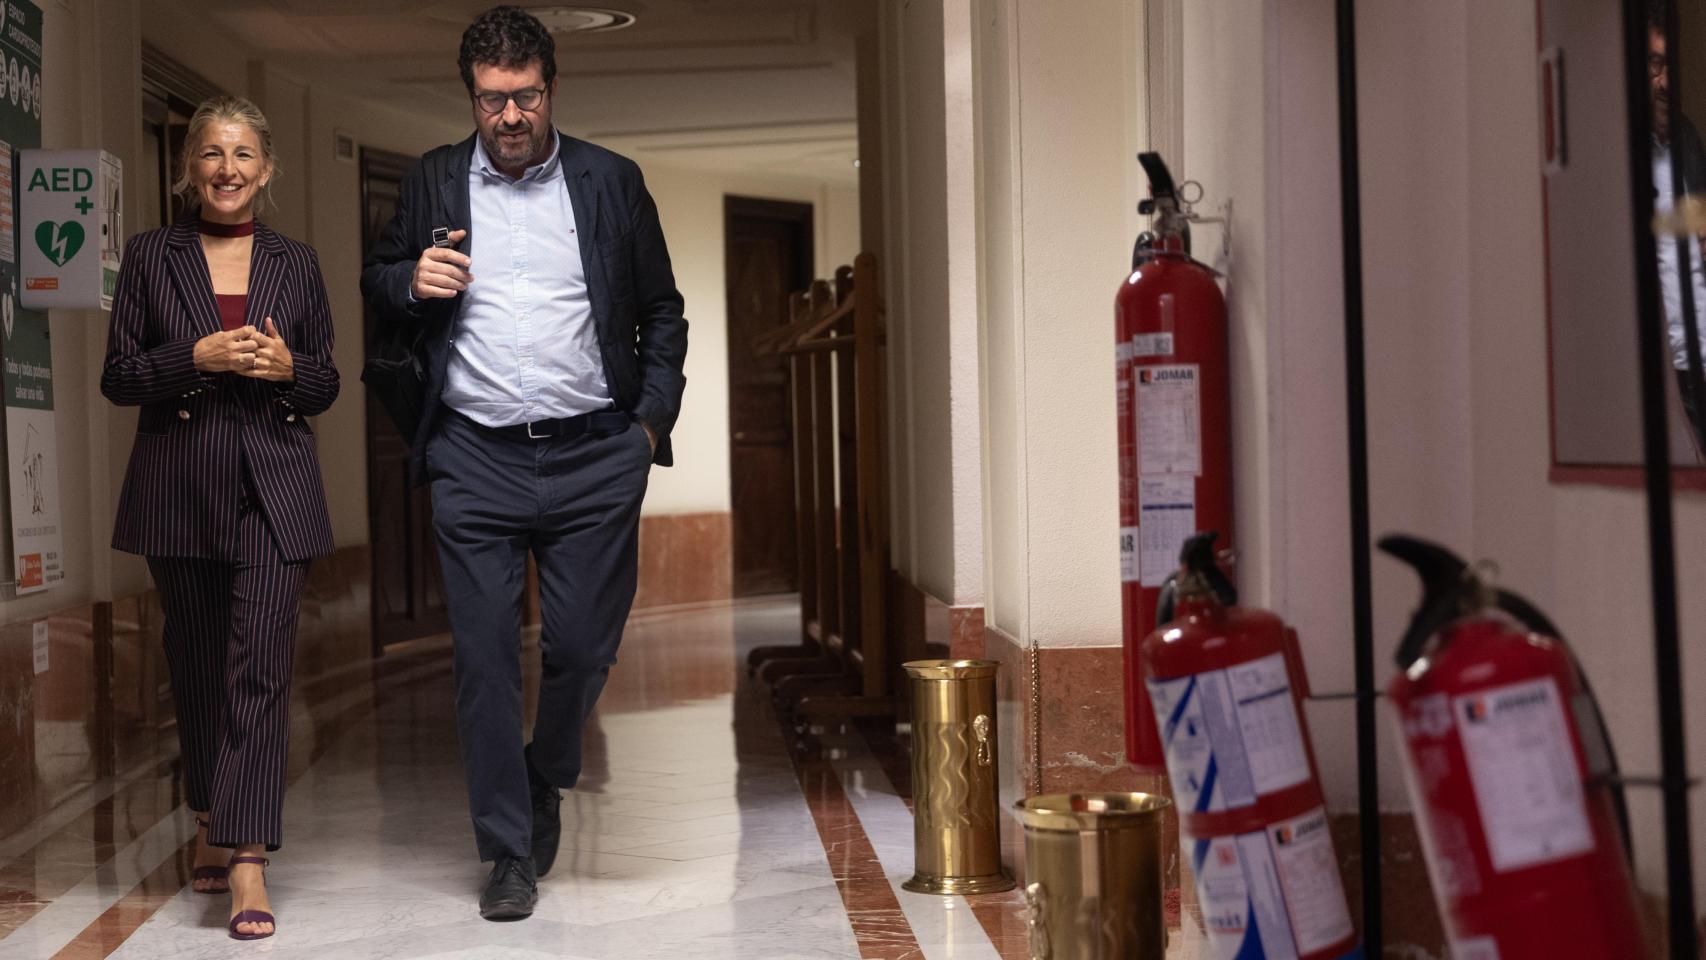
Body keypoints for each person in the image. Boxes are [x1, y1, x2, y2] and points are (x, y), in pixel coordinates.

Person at [359, 5, 687, 921]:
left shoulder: (611, 181)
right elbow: (376, 279)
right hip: (474, 456)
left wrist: (648, 428)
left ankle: (548, 769)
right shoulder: (430, 181)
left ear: (552, 88)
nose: (510, 117)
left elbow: (662, 311)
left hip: (593, 456)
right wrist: (408, 277)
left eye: (526, 97)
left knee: (581, 646)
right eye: (492, 99)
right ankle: (506, 852)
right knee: (485, 661)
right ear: (471, 96)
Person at [101, 95, 340, 941]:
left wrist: (287, 368)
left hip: (274, 491)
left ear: (266, 169)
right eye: (210, 153)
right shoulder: (148, 256)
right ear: (188, 166)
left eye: (242, 155)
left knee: (259, 669)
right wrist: (190, 358)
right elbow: (121, 377)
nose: (227, 169)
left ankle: (246, 857)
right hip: (179, 487)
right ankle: (211, 807)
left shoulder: (297, 263)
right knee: (199, 665)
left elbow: (327, 383)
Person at [1649, 4, 1706, 453]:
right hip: (1673, 374)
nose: (1666, 83)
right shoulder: (1617, 150)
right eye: (1654, 64)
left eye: (1672, 66)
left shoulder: (1687, 139)